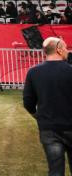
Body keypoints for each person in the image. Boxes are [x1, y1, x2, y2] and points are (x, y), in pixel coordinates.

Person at [22, 37, 72, 176]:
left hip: (49, 129)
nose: (67, 50)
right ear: (59, 49)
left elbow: (28, 102)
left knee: (55, 170)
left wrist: (38, 116)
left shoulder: (33, 72)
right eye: (66, 47)